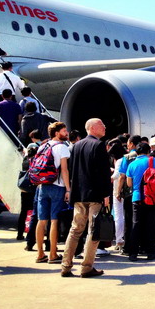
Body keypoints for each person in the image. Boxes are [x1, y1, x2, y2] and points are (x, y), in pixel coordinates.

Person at [60, 118, 111, 278]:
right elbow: (103, 172)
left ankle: (66, 266)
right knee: (93, 231)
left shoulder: (76, 146)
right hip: (95, 194)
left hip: (79, 194)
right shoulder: (98, 145)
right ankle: (86, 267)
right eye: (101, 124)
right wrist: (106, 194)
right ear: (93, 127)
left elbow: (72, 169)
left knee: (75, 230)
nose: (104, 127)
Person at [35, 122, 71, 264]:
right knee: (55, 220)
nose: (66, 133)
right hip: (57, 186)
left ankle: (40, 254)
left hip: (42, 186)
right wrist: (68, 189)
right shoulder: (62, 147)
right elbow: (64, 170)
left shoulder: (43, 146)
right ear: (57, 133)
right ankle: (53, 254)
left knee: (42, 220)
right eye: (64, 130)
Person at [126, 142, 155, 261]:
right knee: (150, 225)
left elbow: (129, 184)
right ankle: (150, 252)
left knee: (136, 225)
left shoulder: (131, 164)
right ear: (148, 152)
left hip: (137, 198)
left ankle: (133, 253)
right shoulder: (152, 161)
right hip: (151, 198)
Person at [107, 139, 127, 253]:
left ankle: (119, 239)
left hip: (118, 191)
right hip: (128, 191)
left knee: (119, 216)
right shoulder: (127, 158)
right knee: (125, 215)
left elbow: (117, 176)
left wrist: (109, 175)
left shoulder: (119, 161)